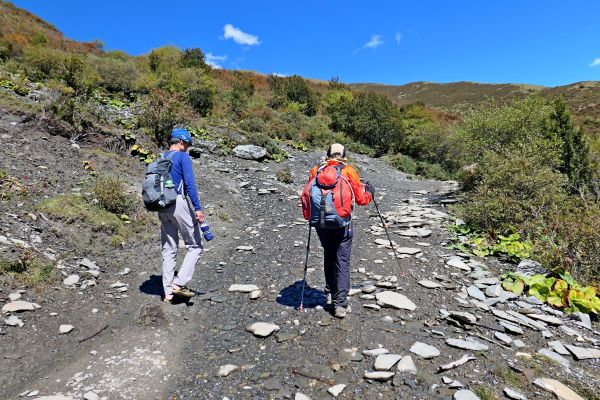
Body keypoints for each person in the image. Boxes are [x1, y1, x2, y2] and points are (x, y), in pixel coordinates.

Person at [303, 143, 375, 318]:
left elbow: (307, 195)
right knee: (342, 259)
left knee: (329, 253)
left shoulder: (316, 170)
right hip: (342, 223)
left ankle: (329, 292)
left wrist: (309, 218)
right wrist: (370, 192)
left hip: (320, 222)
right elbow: (361, 199)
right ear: (344, 154)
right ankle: (340, 305)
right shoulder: (348, 171)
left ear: (327, 154)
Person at [158, 128, 205, 303]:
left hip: (161, 205)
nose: (187, 148)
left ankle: (167, 293)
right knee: (195, 246)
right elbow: (190, 183)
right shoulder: (182, 157)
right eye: (187, 145)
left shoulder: (161, 157)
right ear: (182, 142)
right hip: (177, 203)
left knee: (169, 249)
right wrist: (197, 208)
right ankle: (178, 284)